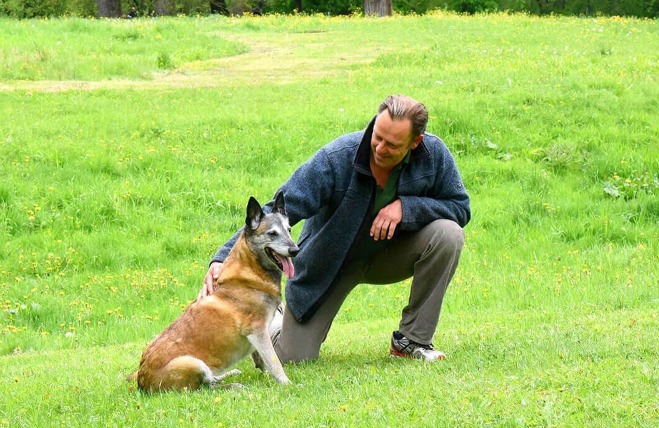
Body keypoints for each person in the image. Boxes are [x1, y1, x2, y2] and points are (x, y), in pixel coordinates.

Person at [199, 95, 470, 363]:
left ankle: (411, 341)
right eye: (378, 136)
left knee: (449, 234)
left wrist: (406, 208)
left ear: (415, 142)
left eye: (392, 144)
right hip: (329, 265)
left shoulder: (434, 155)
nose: (379, 148)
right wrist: (223, 258)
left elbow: (460, 207)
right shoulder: (337, 158)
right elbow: (279, 208)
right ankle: (275, 320)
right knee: (293, 358)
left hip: (390, 255)